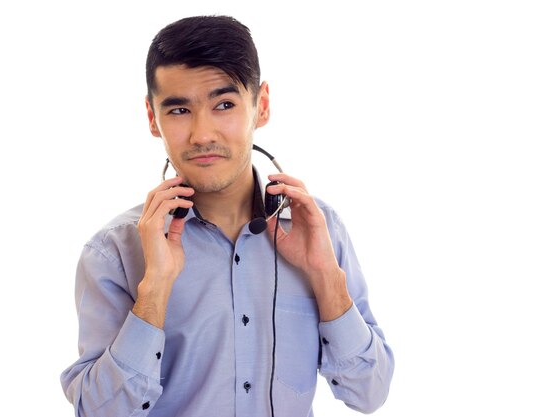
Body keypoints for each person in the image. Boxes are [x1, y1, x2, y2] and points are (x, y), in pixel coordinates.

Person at [60, 15, 394, 417]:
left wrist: (326, 277)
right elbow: (99, 412)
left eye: (224, 105)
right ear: (152, 118)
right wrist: (155, 291)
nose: (202, 134)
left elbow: (370, 392)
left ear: (262, 105)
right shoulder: (114, 253)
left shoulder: (319, 229)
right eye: (180, 109)